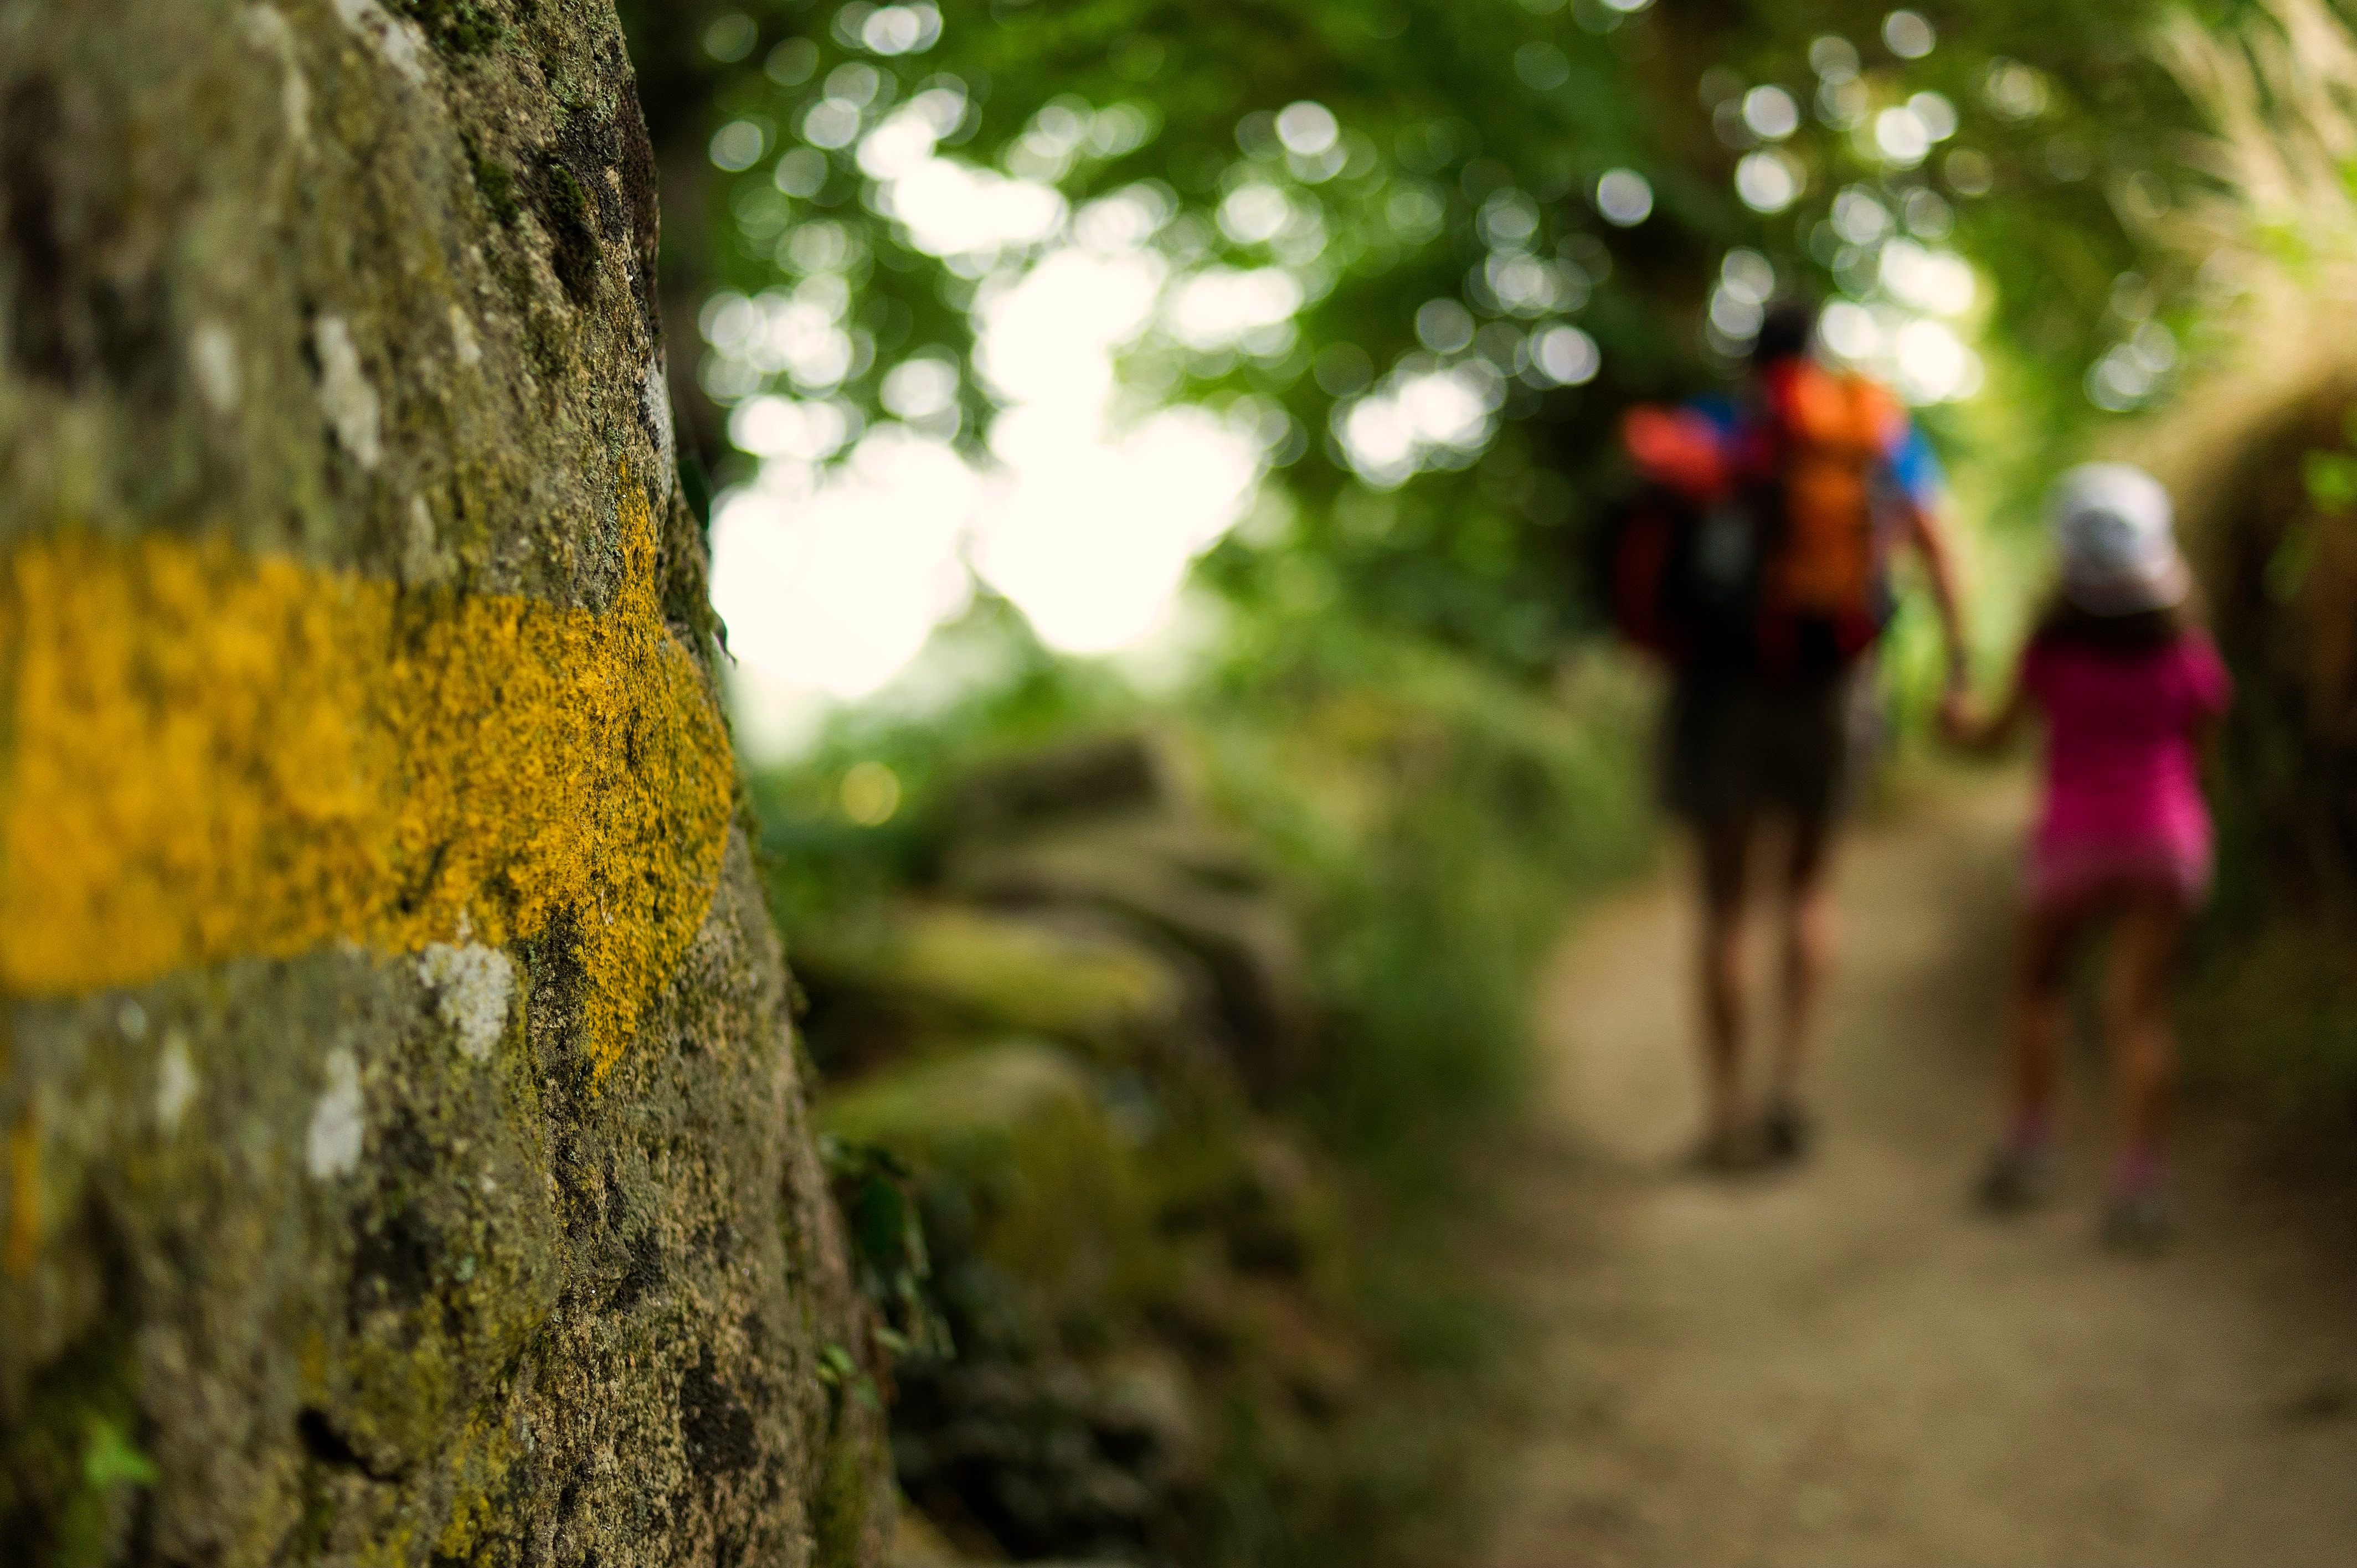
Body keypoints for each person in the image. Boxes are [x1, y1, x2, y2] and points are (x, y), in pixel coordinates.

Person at [1658, 299, 1970, 1169]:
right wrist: (1957, 665)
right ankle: (1785, 1089)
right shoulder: (1868, 425)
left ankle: (1722, 1119)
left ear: (1747, 358)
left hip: (1721, 690)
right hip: (1835, 683)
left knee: (1723, 905)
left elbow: (1655, 548)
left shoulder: (1714, 425)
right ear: (1818, 355)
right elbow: (1936, 541)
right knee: (1807, 891)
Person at [1941, 464, 2231, 1251]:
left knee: (2039, 987)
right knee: (2140, 1011)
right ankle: (2140, 1182)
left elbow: (1994, 739)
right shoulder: (2186, 652)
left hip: (2071, 841)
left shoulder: (2051, 651)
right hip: (2166, 838)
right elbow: (2203, 750)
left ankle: (2031, 1147)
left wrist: (1954, 719)